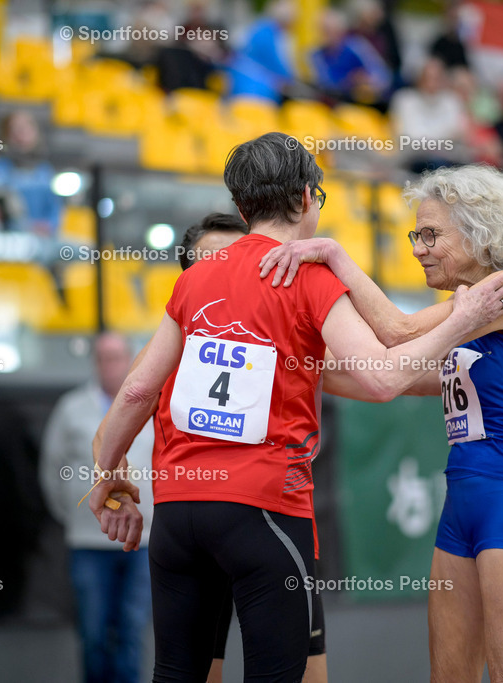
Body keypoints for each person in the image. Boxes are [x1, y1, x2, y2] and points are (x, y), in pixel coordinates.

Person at [87, 132, 503, 682]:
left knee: (176, 673)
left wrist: (107, 474)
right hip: (263, 508)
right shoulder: (304, 275)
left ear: (242, 208)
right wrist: (464, 319)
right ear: (305, 200)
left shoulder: (194, 280)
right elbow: (383, 377)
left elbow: (135, 392)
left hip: (177, 512)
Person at [258, 164, 503, 683]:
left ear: (478, 230)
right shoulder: (465, 313)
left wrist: (333, 255)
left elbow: (395, 332)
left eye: (431, 234)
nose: (418, 247)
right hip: (464, 497)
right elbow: (381, 379)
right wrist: (284, 359)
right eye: (416, 234)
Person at [172, 213, 329, 683]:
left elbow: (377, 377)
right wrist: (110, 472)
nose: (231, 271)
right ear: (189, 276)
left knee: (306, 670)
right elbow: (128, 401)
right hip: (203, 521)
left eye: (239, 258)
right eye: (212, 262)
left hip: (272, 521)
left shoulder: (289, 348)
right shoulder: (173, 344)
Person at [40, 333, 154, 683]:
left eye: (117, 357)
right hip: (89, 542)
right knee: (93, 633)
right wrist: (75, 517)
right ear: (94, 363)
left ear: (130, 359)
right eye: (103, 358)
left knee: (131, 630)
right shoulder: (71, 409)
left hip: (143, 541)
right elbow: (51, 469)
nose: (111, 366)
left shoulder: (152, 406)